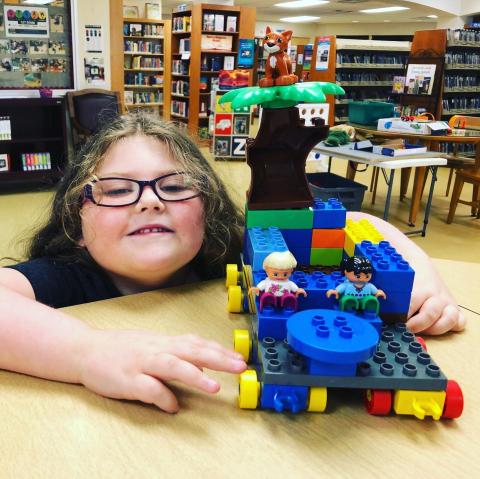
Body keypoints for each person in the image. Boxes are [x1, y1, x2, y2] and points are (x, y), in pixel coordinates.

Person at [0, 113, 247, 414]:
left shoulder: (237, 270)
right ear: (76, 227)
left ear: (208, 214)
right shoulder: (63, 276)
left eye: (174, 187)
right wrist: (88, 352)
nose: (149, 201)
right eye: (117, 190)